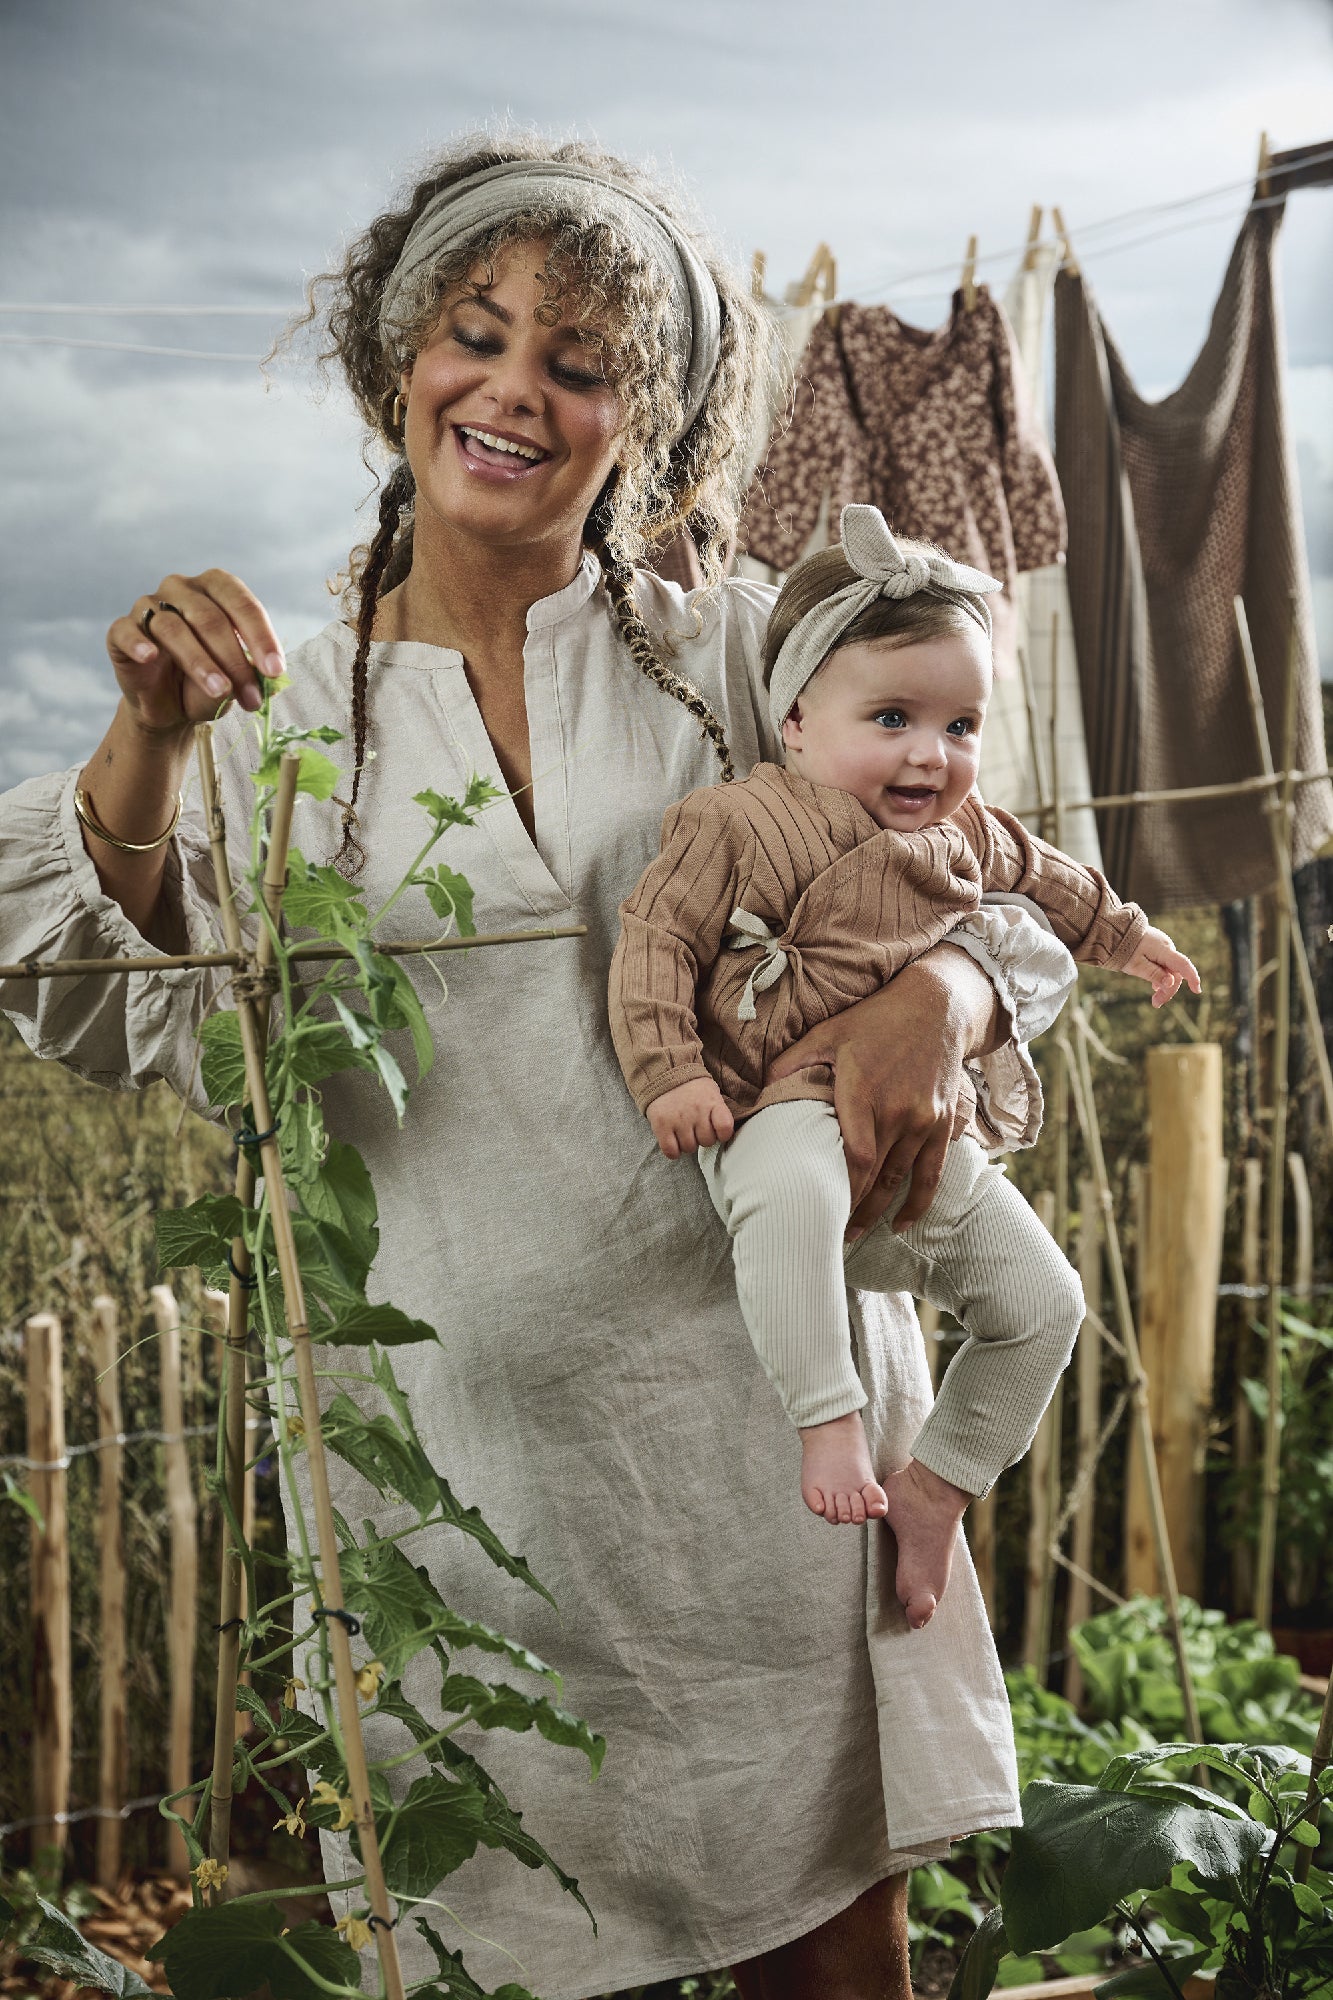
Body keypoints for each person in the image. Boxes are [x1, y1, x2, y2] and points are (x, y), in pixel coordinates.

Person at [0, 136, 1083, 2000]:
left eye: (578, 363)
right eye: (474, 334)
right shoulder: (268, 734)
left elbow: (1000, 878)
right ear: (394, 359)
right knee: (498, 1943)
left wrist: (951, 1004)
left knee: (834, 1951)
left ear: (637, 417)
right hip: (455, 1489)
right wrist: (145, 739)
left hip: (769, 1448)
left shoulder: (740, 658)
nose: (512, 389)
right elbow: (105, 1007)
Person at [610, 504, 1200, 1631]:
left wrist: (1125, 937)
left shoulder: (966, 829)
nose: (934, 752)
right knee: (784, 1190)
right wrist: (669, 1074)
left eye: (960, 721)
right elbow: (654, 946)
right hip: (780, 1104)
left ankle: (940, 1485)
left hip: (927, 1132)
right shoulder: (735, 821)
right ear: (795, 718)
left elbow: (1052, 878)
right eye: (892, 716)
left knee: (1046, 1301)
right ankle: (826, 1413)